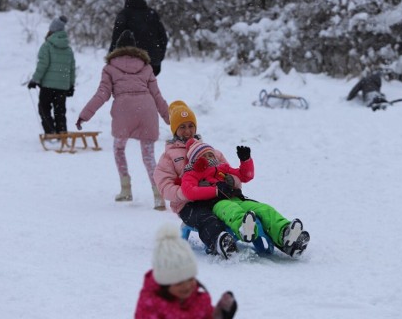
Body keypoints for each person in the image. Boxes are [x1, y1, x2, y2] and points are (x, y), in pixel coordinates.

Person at [76, 30, 169, 210]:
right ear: (135, 48)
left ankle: (126, 189)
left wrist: (84, 114)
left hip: (124, 111)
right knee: (149, 156)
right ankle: (158, 196)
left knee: (119, 148)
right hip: (147, 110)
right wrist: (170, 119)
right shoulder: (146, 67)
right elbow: (157, 96)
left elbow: (102, 94)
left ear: (117, 48)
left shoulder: (110, 68)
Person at [181, 138, 310, 258]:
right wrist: (215, 191)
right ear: (195, 160)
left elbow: (245, 176)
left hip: (237, 199)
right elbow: (189, 191)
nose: (208, 158)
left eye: (210, 154)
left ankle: (285, 234)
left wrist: (246, 161)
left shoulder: (222, 168)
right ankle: (244, 228)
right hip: (215, 203)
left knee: (263, 209)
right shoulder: (191, 172)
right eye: (203, 156)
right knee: (231, 209)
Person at [134, 223, 235, 319]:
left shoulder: (200, 300)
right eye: (179, 282)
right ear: (164, 283)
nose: (187, 286)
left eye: (190, 278)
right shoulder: (150, 302)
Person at [153, 101, 238, 259]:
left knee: (238, 208)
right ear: (175, 130)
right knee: (206, 218)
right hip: (188, 204)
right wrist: (187, 193)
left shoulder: (208, 150)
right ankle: (220, 241)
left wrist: (231, 181)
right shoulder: (169, 156)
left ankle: (271, 232)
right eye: (182, 127)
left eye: (191, 126)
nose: (187, 131)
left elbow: (228, 170)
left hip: (213, 196)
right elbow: (164, 185)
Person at [27, 16, 76, 135]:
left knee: (44, 109)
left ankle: (50, 131)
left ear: (51, 31)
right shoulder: (68, 49)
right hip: (62, 88)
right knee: (60, 111)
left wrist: (35, 80)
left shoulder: (47, 46)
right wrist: (71, 85)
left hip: (48, 86)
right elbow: (72, 69)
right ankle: (62, 132)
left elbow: (42, 65)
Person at [109, 0, 168, 76]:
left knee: (131, 89)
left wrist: (111, 58)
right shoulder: (152, 13)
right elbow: (163, 37)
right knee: (148, 88)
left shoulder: (124, 15)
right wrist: (158, 56)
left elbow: (116, 38)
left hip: (130, 62)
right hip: (152, 62)